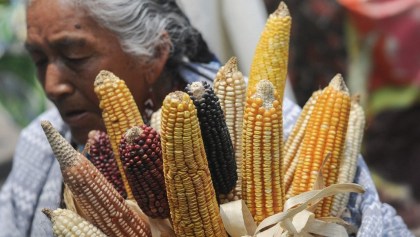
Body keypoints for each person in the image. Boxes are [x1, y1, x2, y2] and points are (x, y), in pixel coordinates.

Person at [0, 0, 413, 236]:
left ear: (154, 53)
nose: (52, 84)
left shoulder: (284, 130)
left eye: (74, 56)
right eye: (39, 61)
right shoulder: (43, 142)